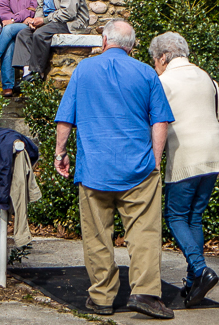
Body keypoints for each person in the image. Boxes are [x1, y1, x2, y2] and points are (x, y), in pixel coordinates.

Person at [54, 20, 175, 319]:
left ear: (104, 41)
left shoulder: (83, 70)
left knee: (97, 235)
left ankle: (102, 298)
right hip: (138, 168)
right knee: (144, 233)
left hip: (95, 166)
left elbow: (65, 119)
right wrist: (156, 161)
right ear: (131, 46)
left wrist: (60, 152)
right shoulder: (146, 72)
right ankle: (145, 294)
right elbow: (159, 121)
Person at [149, 31, 219, 308]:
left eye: (154, 60)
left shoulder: (163, 80)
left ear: (163, 57)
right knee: (194, 217)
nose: (154, 65)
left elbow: (154, 120)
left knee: (175, 216)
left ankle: (200, 270)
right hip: (213, 154)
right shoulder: (205, 77)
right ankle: (191, 281)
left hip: (185, 154)